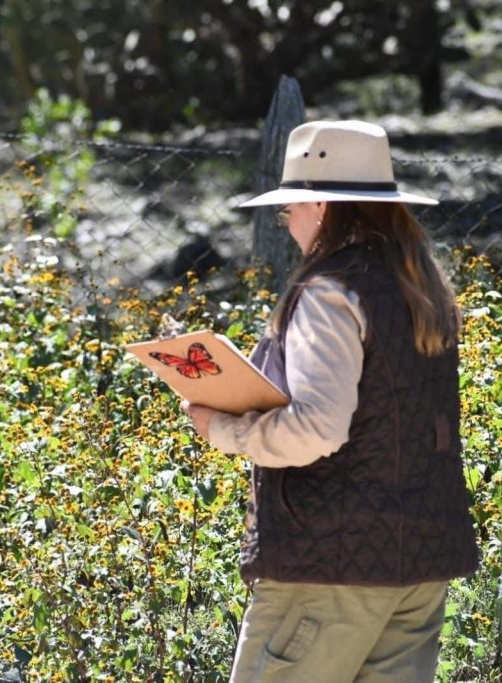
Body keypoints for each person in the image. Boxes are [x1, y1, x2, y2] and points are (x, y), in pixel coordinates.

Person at [182, 120, 479, 682]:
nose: (287, 220)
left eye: (289, 207)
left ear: (320, 205)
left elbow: (318, 428)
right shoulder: (419, 285)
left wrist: (222, 428)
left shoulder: (330, 291)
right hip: (419, 562)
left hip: (328, 566)